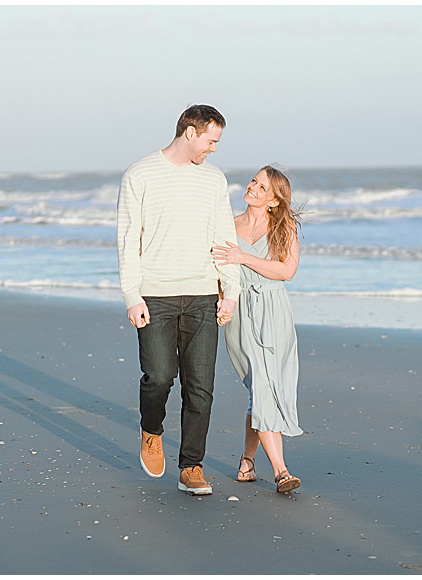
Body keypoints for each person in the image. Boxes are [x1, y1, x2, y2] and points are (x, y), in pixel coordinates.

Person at [117, 104, 240, 495]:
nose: (214, 149)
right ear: (191, 132)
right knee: (159, 378)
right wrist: (131, 295)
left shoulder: (214, 180)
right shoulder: (140, 174)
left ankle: (192, 466)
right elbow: (127, 238)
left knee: (200, 386)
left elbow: (225, 240)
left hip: (203, 293)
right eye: (211, 140)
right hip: (155, 294)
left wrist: (230, 291)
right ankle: (151, 431)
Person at [212, 165, 303, 494]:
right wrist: (222, 302)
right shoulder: (228, 226)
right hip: (240, 313)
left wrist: (243, 257)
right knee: (262, 387)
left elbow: (286, 271)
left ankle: (247, 462)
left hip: (275, 312)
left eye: (262, 187)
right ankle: (281, 471)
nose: (253, 188)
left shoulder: (285, 227)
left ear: (274, 201)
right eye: (254, 181)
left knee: (264, 391)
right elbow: (220, 272)